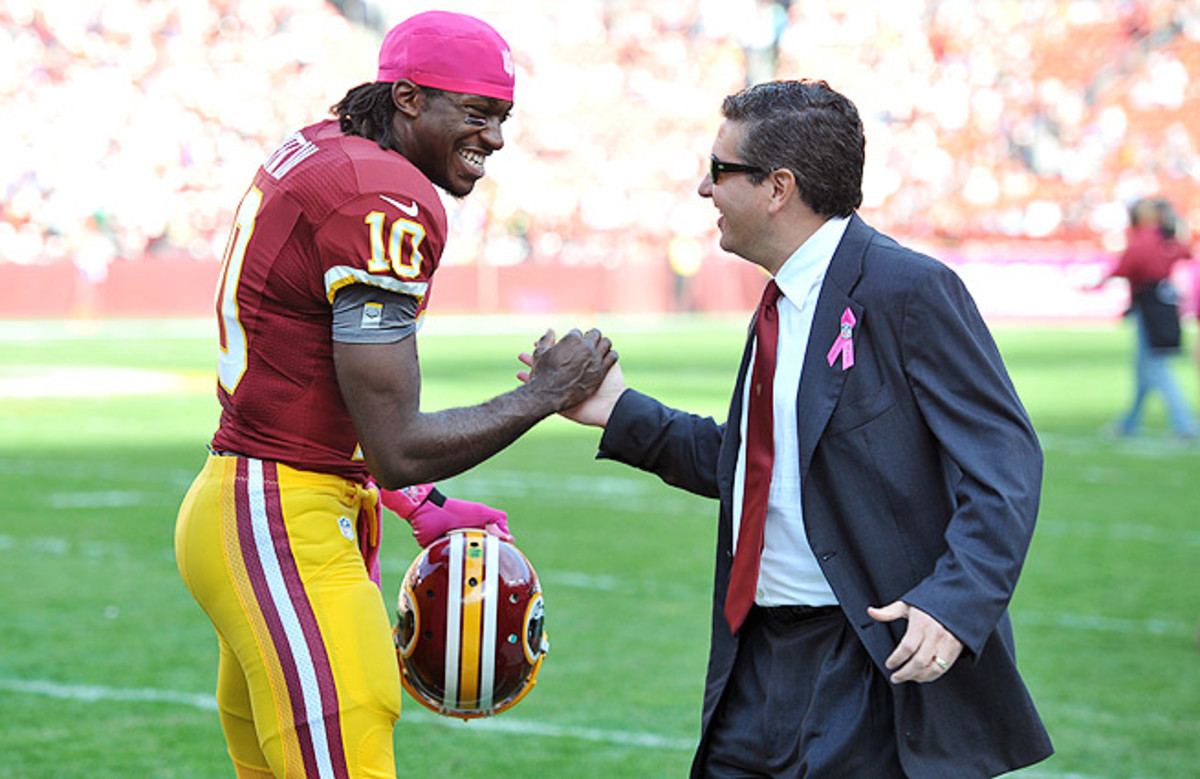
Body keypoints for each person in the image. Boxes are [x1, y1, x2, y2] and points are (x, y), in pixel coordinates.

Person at [551, 80, 1053, 777]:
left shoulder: (908, 289)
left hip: (868, 661)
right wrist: (618, 409)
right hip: (754, 661)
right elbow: (760, 464)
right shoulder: (782, 298)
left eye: (720, 169)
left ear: (778, 187)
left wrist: (955, 602)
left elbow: (1004, 463)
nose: (705, 187)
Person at [174, 11, 616, 779]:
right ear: (408, 99)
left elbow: (327, 384)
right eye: (478, 113)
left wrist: (415, 502)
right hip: (283, 520)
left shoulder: (329, 148)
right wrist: (547, 392)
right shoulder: (381, 193)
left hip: (267, 503)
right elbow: (397, 444)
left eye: (503, 117)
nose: (496, 138)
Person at [1100, 197, 1198, 440]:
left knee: (1155, 367)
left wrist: (1096, 283)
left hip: (1150, 306)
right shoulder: (1170, 240)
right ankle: (1129, 423)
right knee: (1144, 369)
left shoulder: (1144, 240)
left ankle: (1184, 423)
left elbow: (1126, 267)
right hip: (1166, 305)